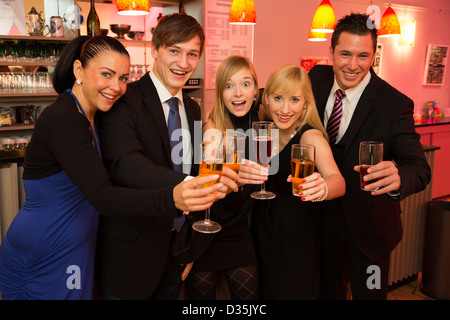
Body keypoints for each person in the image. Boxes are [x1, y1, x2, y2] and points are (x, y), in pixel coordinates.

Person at [0, 36, 223, 300]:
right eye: (106, 74)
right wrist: (173, 197)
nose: (115, 86)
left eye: (123, 78)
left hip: (77, 247)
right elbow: (103, 196)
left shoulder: (94, 116)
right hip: (46, 247)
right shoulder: (63, 119)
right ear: (78, 70)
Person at [96, 13, 238, 300]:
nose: (183, 63)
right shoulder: (124, 99)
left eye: (192, 54)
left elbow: (195, 166)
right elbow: (126, 164)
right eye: (175, 50)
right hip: (131, 255)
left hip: (175, 253)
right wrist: (192, 182)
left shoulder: (193, 108)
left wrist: (188, 247)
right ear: (155, 50)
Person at [308, 13, 431, 300]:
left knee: (371, 296)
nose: (353, 65)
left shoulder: (394, 104)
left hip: (369, 233)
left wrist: (399, 177)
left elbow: (419, 167)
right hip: (319, 224)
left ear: (374, 54)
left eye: (363, 55)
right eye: (345, 54)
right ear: (331, 52)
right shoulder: (315, 77)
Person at [251, 64, 345, 299]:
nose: (284, 109)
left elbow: (338, 182)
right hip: (263, 230)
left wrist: (321, 187)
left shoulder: (309, 136)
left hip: (295, 238)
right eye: (278, 98)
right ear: (267, 98)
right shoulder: (266, 129)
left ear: (305, 103)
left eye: (294, 99)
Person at [185, 55, 268, 300]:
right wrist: (237, 180)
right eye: (228, 86)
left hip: (239, 230)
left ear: (256, 88)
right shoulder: (213, 129)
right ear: (220, 92)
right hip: (208, 229)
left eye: (245, 83)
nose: (238, 93)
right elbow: (208, 187)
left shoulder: (261, 123)